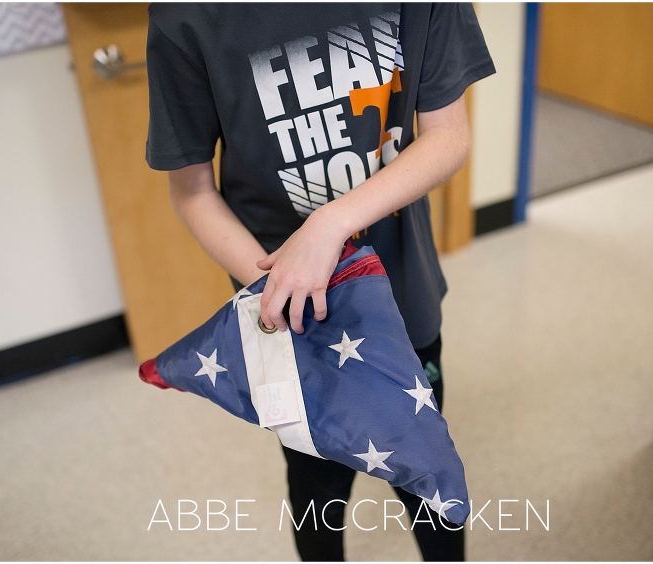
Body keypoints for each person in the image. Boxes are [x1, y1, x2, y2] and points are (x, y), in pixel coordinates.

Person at [145, 3, 494, 560]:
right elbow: (192, 190)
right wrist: (280, 285)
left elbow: (448, 135)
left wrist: (329, 224)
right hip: (292, 327)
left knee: (429, 484)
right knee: (315, 494)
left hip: (404, 306)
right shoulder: (187, 15)